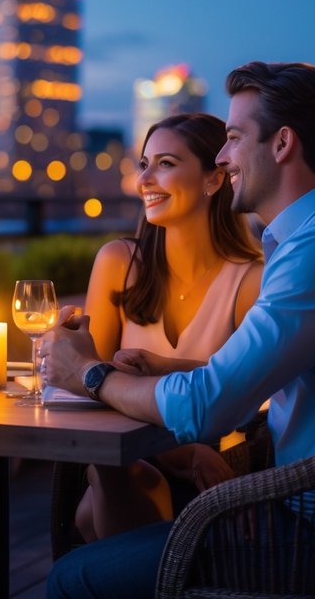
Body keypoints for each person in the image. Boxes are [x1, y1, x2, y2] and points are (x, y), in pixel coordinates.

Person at [43, 61, 315, 599]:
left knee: (74, 576)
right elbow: (277, 374)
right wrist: (174, 367)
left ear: (282, 144)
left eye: (232, 138)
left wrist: (87, 373)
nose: (225, 156)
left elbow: (209, 409)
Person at [74, 113, 263, 541]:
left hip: (219, 471)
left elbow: (259, 394)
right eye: (143, 164)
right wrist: (181, 451)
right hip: (133, 455)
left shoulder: (249, 280)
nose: (145, 179)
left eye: (165, 163)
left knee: (100, 498)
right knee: (119, 470)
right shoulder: (118, 263)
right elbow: (90, 386)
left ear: (214, 179)